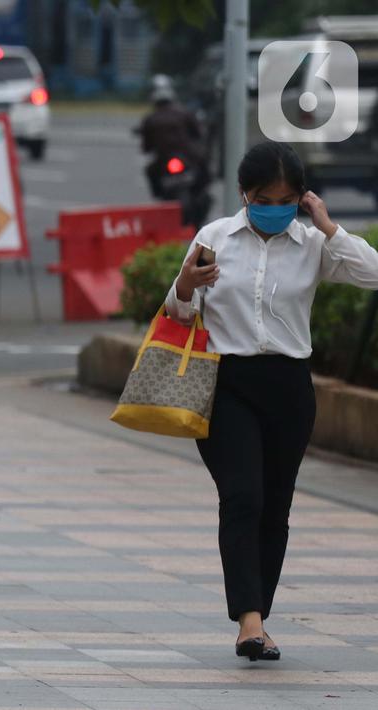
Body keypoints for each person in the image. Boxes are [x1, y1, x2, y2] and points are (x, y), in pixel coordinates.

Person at [165, 141, 378, 661]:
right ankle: (249, 623)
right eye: (264, 197)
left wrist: (329, 227)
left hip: (288, 388)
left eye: (286, 198)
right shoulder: (215, 237)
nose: (274, 207)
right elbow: (177, 312)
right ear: (245, 194)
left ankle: (258, 615)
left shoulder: (310, 243)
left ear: (301, 198)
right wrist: (187, 285)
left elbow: (373, 273)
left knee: (275, 507)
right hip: (225, 384)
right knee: (243, 496)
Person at [139, 75, 206, 196]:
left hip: (167, 158)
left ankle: (159, 195)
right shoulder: (184, 113)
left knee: (150, 171)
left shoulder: (150, 119)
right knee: (203, 163)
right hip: (183, 156)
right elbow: (198, 133)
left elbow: (146, 147)